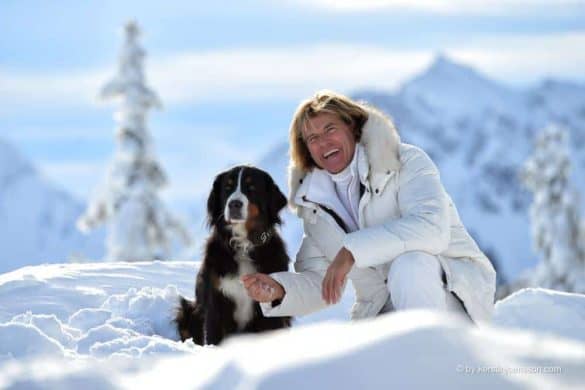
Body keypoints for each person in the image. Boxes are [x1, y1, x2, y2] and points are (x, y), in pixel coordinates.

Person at [241, 90, 496, 324]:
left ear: (352, 127)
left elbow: (431, 229)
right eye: (313, 138)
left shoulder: (404, 162)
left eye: (330, 129)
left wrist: (351, 251)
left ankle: (432, 363)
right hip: (383, 312)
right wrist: (278, 289)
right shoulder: (315, 206)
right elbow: (322, 280)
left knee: (409, 265)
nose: (324, 142)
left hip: (453, 294)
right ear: (306, 149)